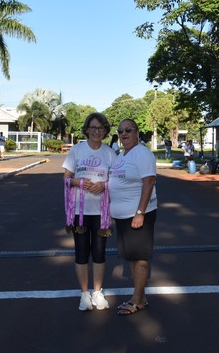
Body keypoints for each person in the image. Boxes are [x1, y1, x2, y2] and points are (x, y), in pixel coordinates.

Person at [63, 112, 116, 311]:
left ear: (105, 131)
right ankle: (84, 294)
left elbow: (117, 180)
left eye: (101, 128)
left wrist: (104, 185)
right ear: (86, 129)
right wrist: (80, 182)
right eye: (93, 127)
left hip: (102, 213)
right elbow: (66, 178)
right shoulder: (77, 150)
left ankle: (97, 292)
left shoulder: (110, 153)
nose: (97, 131)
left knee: (100, 253)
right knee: (82, 252)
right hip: (79, 211)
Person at [110, 118, 157, 316]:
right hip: (122, 216)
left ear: (137, 132)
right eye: (120, 131)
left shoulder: (142, 153)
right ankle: (140, 297)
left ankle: (137, 300)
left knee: (140, 258)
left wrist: (140, 213)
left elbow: (149, 182)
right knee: (131, 256)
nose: (124, 134)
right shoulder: (121, 156)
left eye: (128, 130)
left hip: (137, 215)